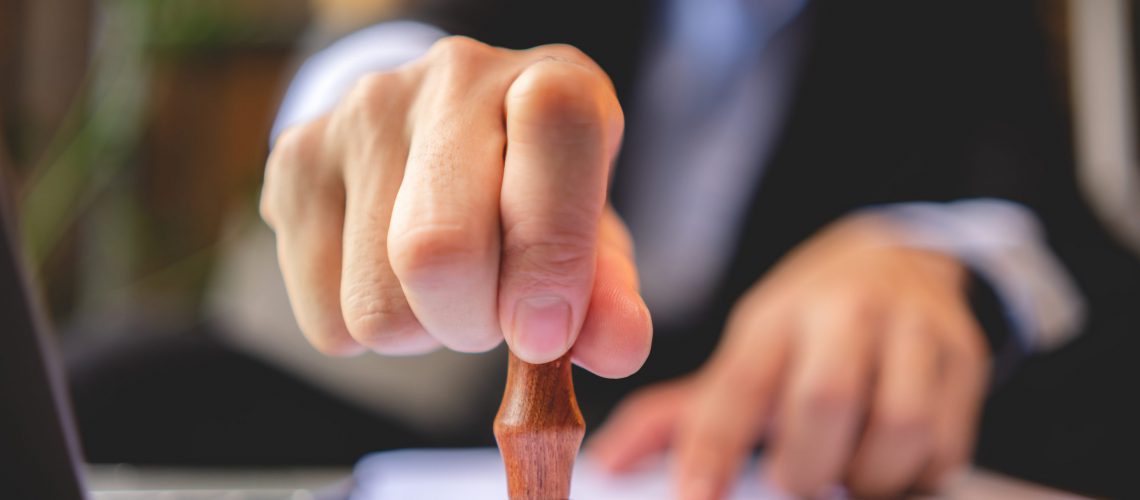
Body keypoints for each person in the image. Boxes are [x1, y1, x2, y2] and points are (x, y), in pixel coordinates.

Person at [258, 0, 1140, 498]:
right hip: (417, 407)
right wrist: (370, 104)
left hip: (792, 439)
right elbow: (394, 42)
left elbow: (1046, 209)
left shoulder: (964, 30)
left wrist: (941, 249)